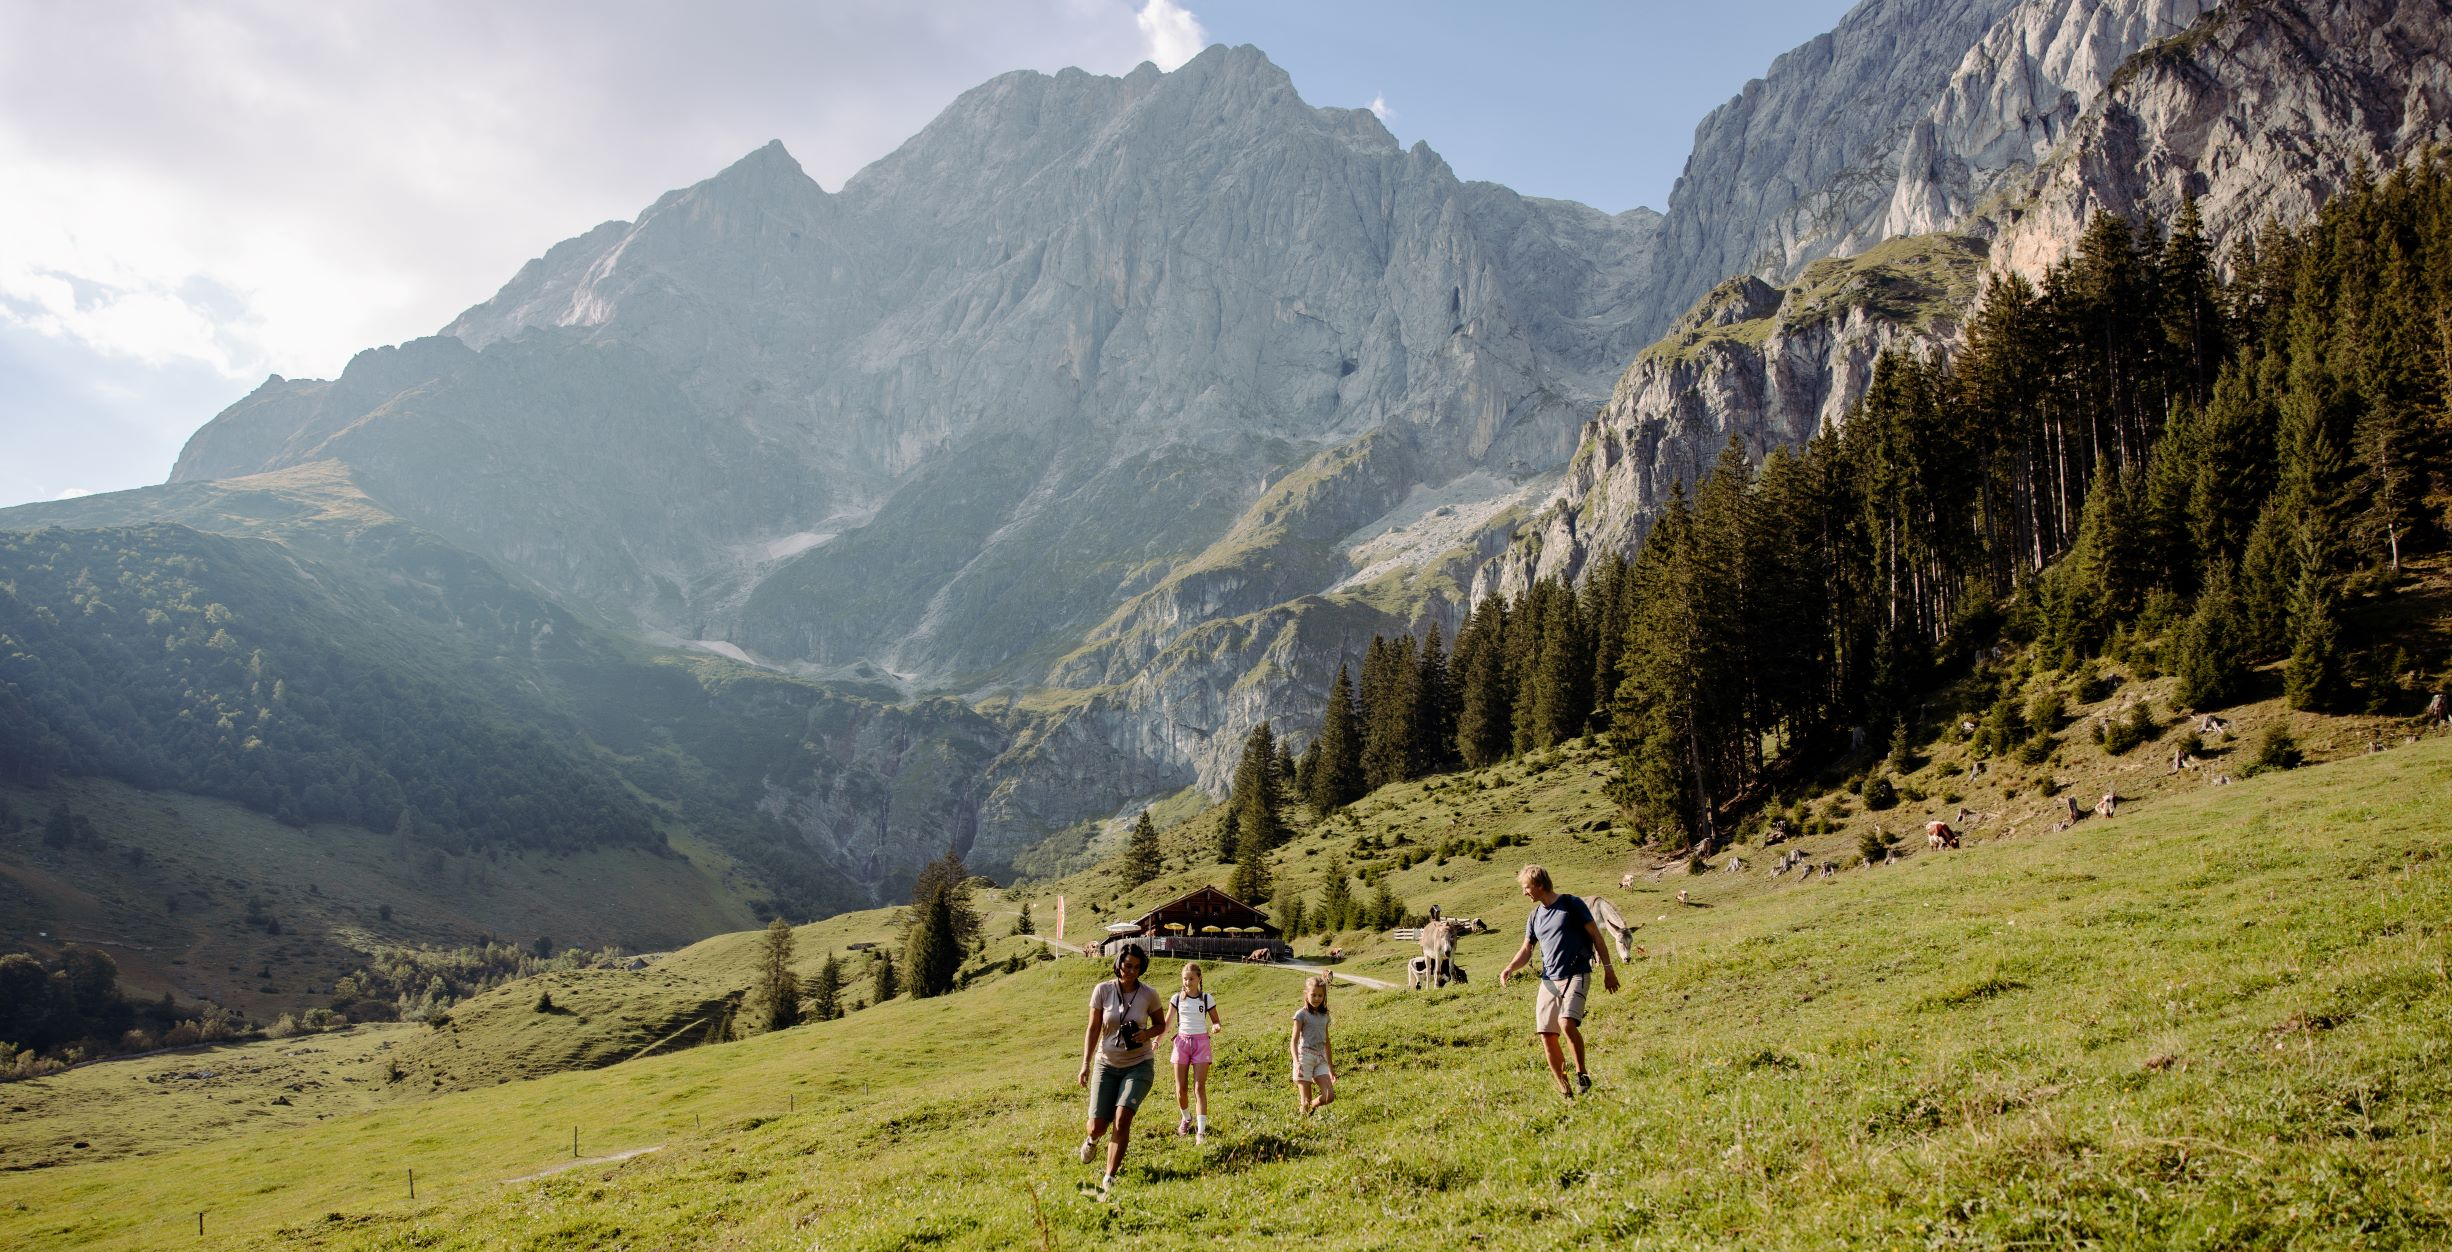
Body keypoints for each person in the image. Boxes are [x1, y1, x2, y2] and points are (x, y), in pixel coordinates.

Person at [1498, 864, 1621, 1099]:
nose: (1524, 893)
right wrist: (1510, 967)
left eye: (1526, 888)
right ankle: (1565, 1091)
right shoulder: (1534, 916)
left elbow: (1596, 936)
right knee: (1546, 1034)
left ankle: (1581, 1073)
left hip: (1577, 973)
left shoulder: (1571, 904)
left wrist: (1608, 969)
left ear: (1540, 885)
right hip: (1549, 980)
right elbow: (1527, 949)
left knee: (1566, 1023)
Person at [1075, 946, 1165, 1200]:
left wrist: (1146, 1033)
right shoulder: (1102, 990)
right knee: (1097, 1126)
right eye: (1128, 966)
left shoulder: (1149, 994)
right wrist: (1085, 1064)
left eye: (1137, 967)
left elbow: (1161, 1024)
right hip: (1106, 1064)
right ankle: (1091, 1142)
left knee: (1122, 1117)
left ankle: (1108, 1178)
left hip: (1139, 1064)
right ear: (1119, 964)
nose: (1132, 972)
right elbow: (1093, 1029)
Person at [1168, 961, 1222, 1143]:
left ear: (1199, 978)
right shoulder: (1176, 999)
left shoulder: (1207, 999)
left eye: (1191, 978)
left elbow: (1216, 1020)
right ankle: (1186, 1118)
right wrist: (1157, 1040)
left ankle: (1201, 1132)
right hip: (1181, 1042)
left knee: (1199, 1087)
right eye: (1185, 979)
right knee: (1181, 1089)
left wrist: (1216, 1026)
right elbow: (1167, 1023)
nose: (1188, 982)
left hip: (1201, 1043)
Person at [1289, 975, 1335, 1116]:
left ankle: (1311, 1107)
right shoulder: (1301, 1015)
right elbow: (1294, 1041)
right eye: (1313, 995)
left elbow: (1326, 1040)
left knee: (1329, 1096)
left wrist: (1331, 1067)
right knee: (1305, 1102)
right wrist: (1297, 1063)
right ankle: (1303, 1125)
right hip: (1305, 1058)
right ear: (1306, 994)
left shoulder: (1325, 1015)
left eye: (1320, 995)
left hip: (1321, 1058)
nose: (1317, 998)